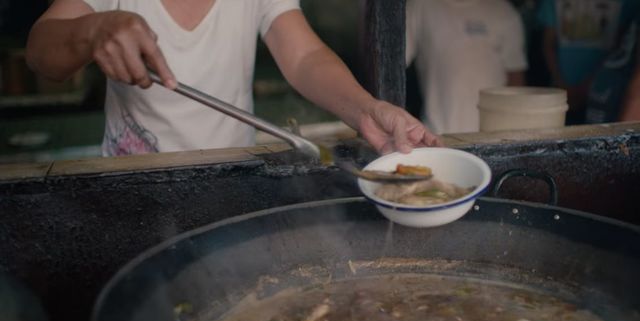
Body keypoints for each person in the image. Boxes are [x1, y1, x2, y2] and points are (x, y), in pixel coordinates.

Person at [26, 0, 441, 157]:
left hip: (231, 183)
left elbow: (304, 56)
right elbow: (42, 52)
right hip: (132, 190)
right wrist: (93, 29)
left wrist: (367, 110)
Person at [405, 0, 527, 135]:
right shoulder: (420, 5)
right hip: (437, 136)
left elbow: (515, 78)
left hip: (494, 138)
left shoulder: (503, 10)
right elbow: (391, 62)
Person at [538, 0, 639, 125]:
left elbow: (621, 47)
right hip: (562, 91)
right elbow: (548, 43)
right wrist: (561, 84)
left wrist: (588, 85)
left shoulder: (629, 3)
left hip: (605, 94)